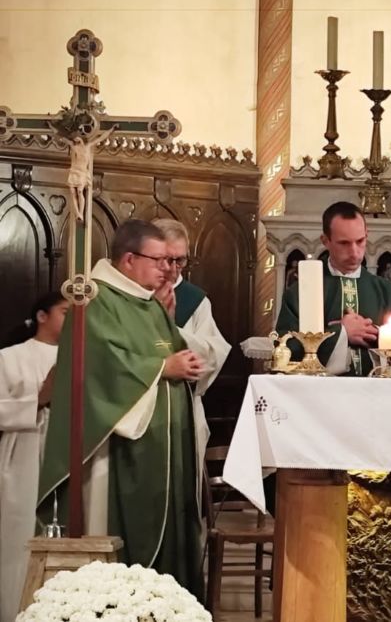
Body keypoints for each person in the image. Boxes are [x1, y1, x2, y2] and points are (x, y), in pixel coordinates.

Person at [38, 219, 206, 599]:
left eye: (173, 261)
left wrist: (187, 363)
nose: (169, 270)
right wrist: (164, 368)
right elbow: (100, 365)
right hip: (121, 453)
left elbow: (172, 350)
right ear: (129, 259)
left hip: (164, 448)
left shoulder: (149, 301)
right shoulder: (96, 299)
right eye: (160, 260)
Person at [276, 202, 391, 376]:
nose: (354, 252)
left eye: (360, 241)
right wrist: (342, 333)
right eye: (344, 243)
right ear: (325, 241)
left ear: (367, 234)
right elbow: (285, 349)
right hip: (319, 395)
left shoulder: (388, 292)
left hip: (377, 395)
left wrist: (376, 334)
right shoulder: (300, 292)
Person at [151, 218, 231, 512]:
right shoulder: (134, 293)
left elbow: (213, 354)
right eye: (167, 260)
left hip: (183, 408)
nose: (173, 269)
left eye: (181, 260)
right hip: (138, 406)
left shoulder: (195, 301)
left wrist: (172, 328)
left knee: (178, 499)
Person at [0, 293, 67, 622]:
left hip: (70, 456)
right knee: (20, 539)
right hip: (25, 453)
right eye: (66, 312)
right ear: (42, 315)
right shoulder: (10, 357)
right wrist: (39, 398)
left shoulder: (83, 358)